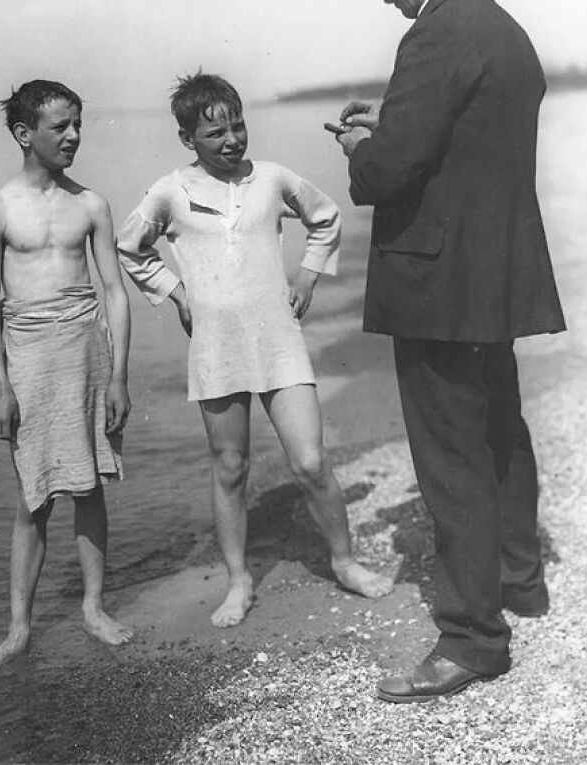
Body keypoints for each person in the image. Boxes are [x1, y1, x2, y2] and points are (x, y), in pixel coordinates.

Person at [332, 0, 565, 702]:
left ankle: (471, 637)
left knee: (450, 454)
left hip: (437, 282)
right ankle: (520, 581)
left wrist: (362, 150)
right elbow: (466, 146)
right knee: (499, 429)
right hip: (494, 275)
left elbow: (389, 173)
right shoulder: (504, 28)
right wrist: (390, 128)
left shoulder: (434, 33)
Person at [117, 71, 393, 627]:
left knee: (310, 461)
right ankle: (239, 582)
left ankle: (344, 563)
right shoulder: (170, 191)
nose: (232, 140)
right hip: (216, 345)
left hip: (278, 338)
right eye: (215, 133)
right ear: (187, 138)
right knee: (230, 466)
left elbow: (325, 218)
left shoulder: (271, 178)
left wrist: (309, 276)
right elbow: (130, 246)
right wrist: (177, 294)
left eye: (238, 126)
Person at [0, 79, 132, 675]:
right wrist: (0, 385)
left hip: (87, 351)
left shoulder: (90, 204)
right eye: (60, 126)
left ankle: (93, 608)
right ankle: (18, 630)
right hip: (29, 359)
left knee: (89, 488)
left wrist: (119, 377)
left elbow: (115, 291)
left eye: (77, 124)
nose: (73, 136)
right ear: (24, 133)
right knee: (32, 498)